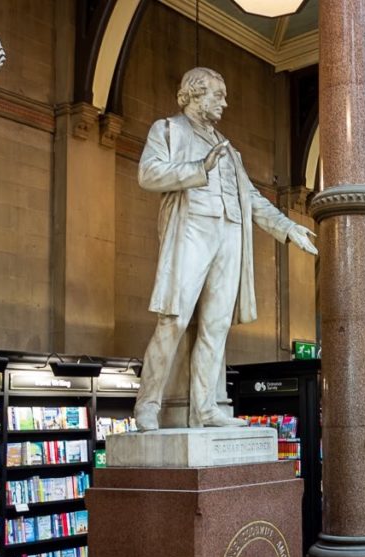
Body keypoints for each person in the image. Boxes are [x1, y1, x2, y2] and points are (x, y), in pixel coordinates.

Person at [134, 67, 317, 430]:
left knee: (216, 327)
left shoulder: (229, 149)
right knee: (173, 320)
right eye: (219, 94)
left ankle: (206, 408)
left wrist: (288, 227)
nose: (225, 102)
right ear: (195, 93)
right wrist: (199, 167)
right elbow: (148, 173)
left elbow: (250, 197)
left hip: (230, 234)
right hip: (192, 230)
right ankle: (147, 405)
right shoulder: (168, 129)